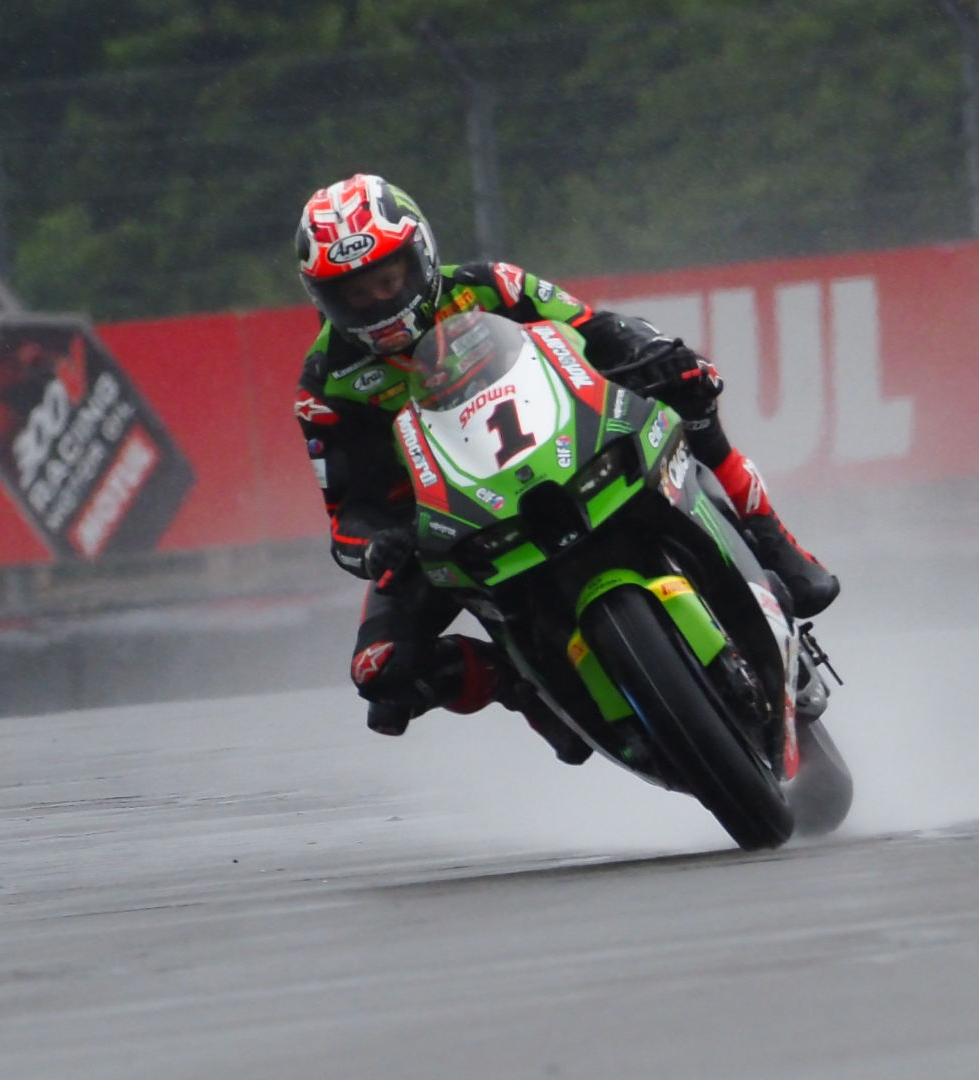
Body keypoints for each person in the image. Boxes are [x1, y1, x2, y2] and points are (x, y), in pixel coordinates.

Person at [292, 173, 838, 751]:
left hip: (565, 444)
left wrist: (655, 354)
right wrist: (380, 544)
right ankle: (522, 683)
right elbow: (345, 517)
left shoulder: (491, 285)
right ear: (323, 297)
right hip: (452, 521)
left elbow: (596, 328)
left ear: (420, 256)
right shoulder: (325, 384)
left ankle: (771, 537)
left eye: (388, 278)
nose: (379, 301)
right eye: (355, 293)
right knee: (380, 672)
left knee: (687, 388)